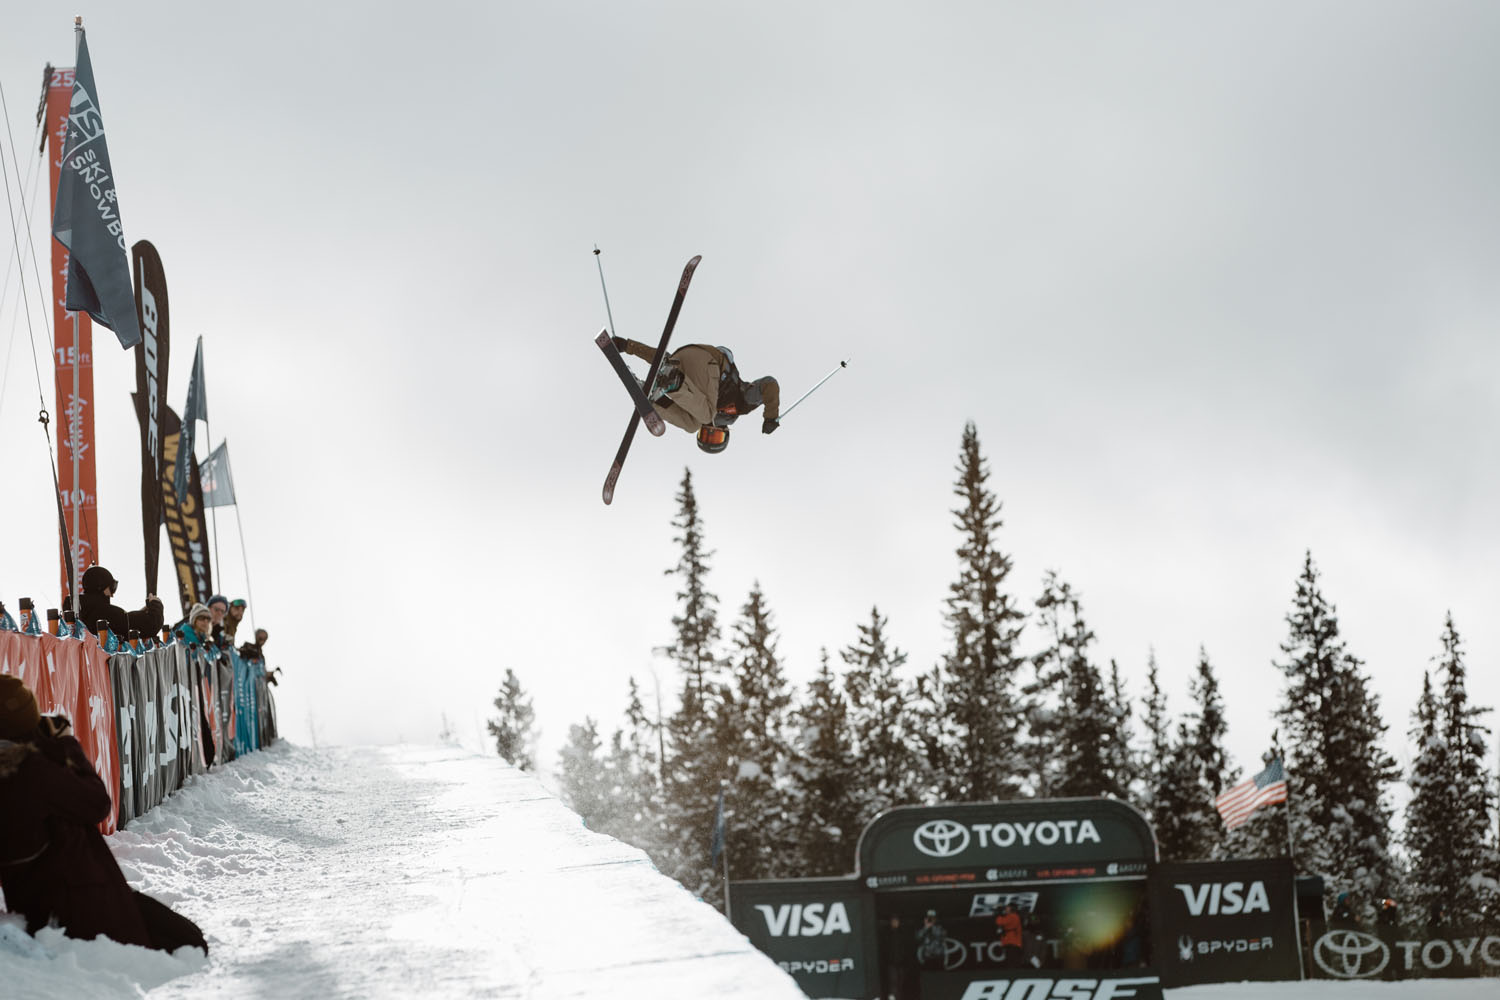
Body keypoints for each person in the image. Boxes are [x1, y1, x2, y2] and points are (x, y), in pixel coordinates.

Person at [0, 674, 206, 953]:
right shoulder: (31, 772)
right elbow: (97, 803)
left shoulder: (25, 767)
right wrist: (66, 744)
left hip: (71, 894)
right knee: (188, 944)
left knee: (186, 938)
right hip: (77, 906)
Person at [612, 337, 780, 454]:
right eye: (715, 436)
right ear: (726, 431)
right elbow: (769, 384)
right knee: (706, 415)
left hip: (681, 361)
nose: (710, 431)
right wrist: (771, 416)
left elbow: (662, 360)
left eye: (706, 435)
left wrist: (627, 346)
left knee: (693, 425)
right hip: (712, 363)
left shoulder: (697, 408)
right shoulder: (741, 404)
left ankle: (653, 399)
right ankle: (673, 383)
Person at [69, 566, 164, 640]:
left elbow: (126, 621)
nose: (112, 595)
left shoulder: (78, 613)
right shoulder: (107, 614)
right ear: (101, 587)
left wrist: (143, 612)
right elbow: (150, 625)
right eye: (112, 588)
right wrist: (156, 604)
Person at [995, 902, 1023, 967]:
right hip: (1010, 943)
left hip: (1013, 943)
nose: (1005, 909)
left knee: (1012, 963)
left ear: (1012, 908)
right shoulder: (1012, 916)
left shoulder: (1013, 916)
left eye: (1007, 907)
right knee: (1010, 962)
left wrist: (999, 913)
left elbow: (999, 922)